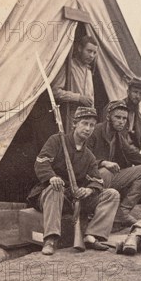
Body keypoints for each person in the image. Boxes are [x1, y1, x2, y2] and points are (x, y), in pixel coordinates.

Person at [27, 107, 120, 255]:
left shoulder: (89, 156)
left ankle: (92, 235)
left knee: (112, 194)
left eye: (91, 125)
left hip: (73, 199)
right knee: (55, 188)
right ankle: (50, 239)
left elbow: (97, 180)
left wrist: (89, 189)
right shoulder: (57, 140)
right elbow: (41, 162)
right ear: (75, 124)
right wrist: (52, 177)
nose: (88, 128)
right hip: (51, 195)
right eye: (84, 123)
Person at [87, 101, 141, 229]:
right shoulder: (94, 131)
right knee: (105, 171)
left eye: (124, 118)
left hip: (107, 180)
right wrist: (102, 162)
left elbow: (135, 156)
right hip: (91, 181)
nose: (121, 121)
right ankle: (95, 210)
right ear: (108, 116)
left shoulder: (118, 137)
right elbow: (82, 158)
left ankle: (122, 212)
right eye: (118, 117)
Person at [52, 35, 98, 127]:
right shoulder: (69, 66)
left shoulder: (89, 71)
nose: (91, 55)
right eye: (89, 51)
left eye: (94, 52)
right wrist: (78, 97)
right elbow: (55, 92)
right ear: (80, 48)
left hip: (87, 120)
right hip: (71, 118)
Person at [101, 76, 141, 152]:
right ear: (128, 92)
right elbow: (105, 133)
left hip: (134, 153)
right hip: (115, 151)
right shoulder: (113, 108)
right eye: (135, 92)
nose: (137, 96)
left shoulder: (140, 118)